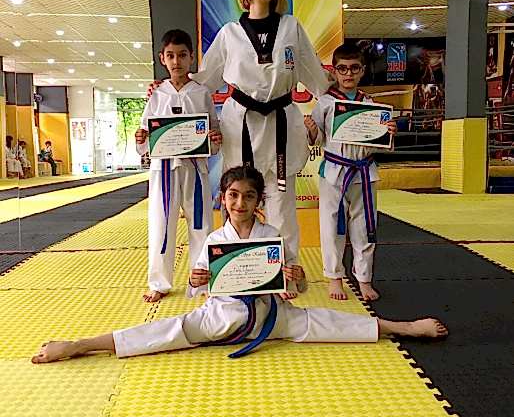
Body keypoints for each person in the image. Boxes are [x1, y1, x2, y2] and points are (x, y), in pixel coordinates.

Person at [31, 165, 448, 365]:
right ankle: (81, 345)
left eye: (249, 196)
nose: (240, 203)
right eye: (233, 195)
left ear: (258, 201)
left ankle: (404, 327)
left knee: (328, 320)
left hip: (272, 315)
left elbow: (296, 289)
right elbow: (199, 287)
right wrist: (197, 279)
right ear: (223, 199)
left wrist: (297, 278)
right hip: (223, 316)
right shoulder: (215, 240)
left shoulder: (272, 235)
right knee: (166, 331)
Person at [191, 0, 329, 297]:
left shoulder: (291, 27)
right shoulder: (230, 33)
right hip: (241, 125)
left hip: (281, 123)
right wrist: (170, 88)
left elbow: (316, 77)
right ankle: (232, 274)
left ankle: (286, 277)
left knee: (282, 207)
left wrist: (342, 100)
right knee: (238, 202)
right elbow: (205, 81)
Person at [304, 44, 397, 302]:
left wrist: (388, 132)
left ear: (362, 70)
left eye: (354, 68)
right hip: (333, 172)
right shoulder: (325, 102)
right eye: (342, 69)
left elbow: (379, 145)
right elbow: (316, 140)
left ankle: (364, 278)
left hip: (364, 172)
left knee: (364, 227)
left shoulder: (370, 104)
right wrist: (311, 129)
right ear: (334, 71)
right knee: (331, 226)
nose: (348, 74)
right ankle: (334, 276)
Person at [135, 29, 222, 303]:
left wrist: (214, 139)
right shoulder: (156, 94)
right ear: (162, 58)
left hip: (195, 169)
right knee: (161, 225)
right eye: (171, 56)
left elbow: (213, 130)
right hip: (163, 170)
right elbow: (145, 133)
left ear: (191, 58)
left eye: (182, 55)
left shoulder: (201, 92)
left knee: (201, 225)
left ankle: (202, 281)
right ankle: (159, 282)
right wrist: (141, 138)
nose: (176, 61)